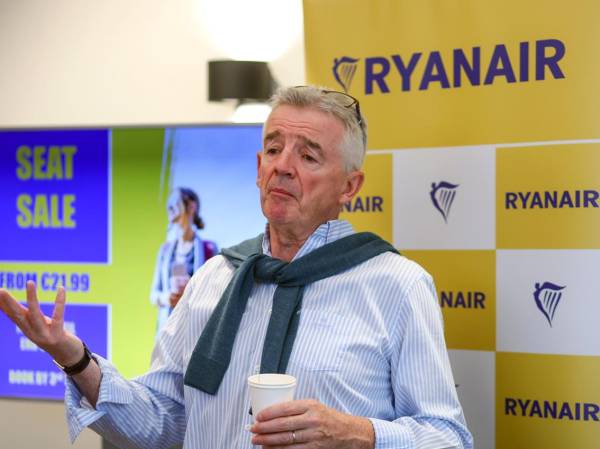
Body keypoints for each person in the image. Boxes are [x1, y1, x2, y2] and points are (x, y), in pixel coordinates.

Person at [0, 85, 473, 449]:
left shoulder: (396, 285)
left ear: (350, 186)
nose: (282, 167)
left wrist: (359, 433)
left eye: (308, 155)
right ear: (257, 166)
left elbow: (449, 436)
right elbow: (161, 421)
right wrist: (73, 357)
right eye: (273, 149)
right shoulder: (215, 277)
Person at [150, 187, 217, 335]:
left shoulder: (209, 249)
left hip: (196, 332)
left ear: (191, 206)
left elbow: (218, 295)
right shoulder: (165, 250)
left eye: (175, 201)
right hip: (167, 333)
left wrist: (193, 294)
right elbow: (154, 294)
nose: (169, 207)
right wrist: (168, 298)